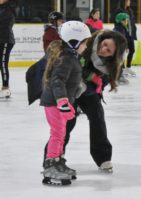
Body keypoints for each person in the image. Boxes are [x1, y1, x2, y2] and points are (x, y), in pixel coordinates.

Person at [61, 30, 127, 173]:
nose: (103, 50)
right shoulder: (87, 43)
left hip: (88, 91)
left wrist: (93, 83)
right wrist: (89, 76)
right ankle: (54, 157)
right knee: (67, 122)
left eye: (108, 50)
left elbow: (102, 83)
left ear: (114, 55)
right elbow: (71, 64)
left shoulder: (113, 65)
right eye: (104, 45)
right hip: (70, 87)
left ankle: (103, 158)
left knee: (97, 117)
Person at [40, 21, 91, 186]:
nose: (86, 46)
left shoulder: (71, 56)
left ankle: (59, 161)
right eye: (84, 42)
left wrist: (78, 87)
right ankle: (51, 165)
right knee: (57, 133)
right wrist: (62, 100)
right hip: (55, 102)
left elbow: (68, 79)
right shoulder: (66, 58)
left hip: (60, 102)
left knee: (61, 133)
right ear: (75, 42)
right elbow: (57, 81)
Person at [0, 0, 18, 98]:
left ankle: (6, 87)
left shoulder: (9, 10)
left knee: (3, 63)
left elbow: (5, 25)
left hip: (5, 40)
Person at [114, 0, 137, 76]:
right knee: (122, 52)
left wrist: (134, 31)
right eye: (128, 0)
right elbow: (117, 22)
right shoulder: (119, 10)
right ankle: (122, 68)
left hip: (130, 33)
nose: (129, 2)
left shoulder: (130, 10)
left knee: (132, 50)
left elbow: (132, 22)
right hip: (123, 33)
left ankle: (128, 67)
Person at [113, 12, 130, 85]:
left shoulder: (121, 28)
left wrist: (126, 47)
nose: (126, 22)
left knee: (120, 62)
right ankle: (118, 76)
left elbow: (123, 39)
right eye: (125, 20)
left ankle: (118, 75)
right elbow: (120, 40)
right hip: (118, 49)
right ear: (120, 21)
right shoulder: (118, 29)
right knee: (118, 62)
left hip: (120, 49)